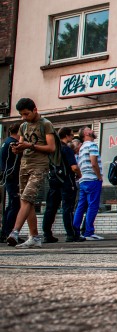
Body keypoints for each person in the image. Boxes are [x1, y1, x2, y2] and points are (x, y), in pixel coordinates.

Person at [6, 98, 57, 248]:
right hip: (25, 165)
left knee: (27, 198)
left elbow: (51, 148)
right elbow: (23, 145)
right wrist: (17, 148)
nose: (24, 117)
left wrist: (31, 145)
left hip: (40, 165)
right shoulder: (23, 126)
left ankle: (15, 231)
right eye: (22, 115)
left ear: (35, 110)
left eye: (26, 114)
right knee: (26, 201)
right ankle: (34, 236)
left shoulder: (46, 124)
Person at [42, 127, 81, 243]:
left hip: (54, 180)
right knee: (67, 208)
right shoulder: (66, 149)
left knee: (51, 208)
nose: (72, 137)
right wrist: (79, 174)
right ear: (67, 136)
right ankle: (71, 234)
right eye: (71, 135)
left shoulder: (53, 150)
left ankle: (47, 234)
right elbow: (73, 167)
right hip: (66, 180)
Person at [72, 126, 104, 241]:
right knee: (93, 206)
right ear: (86, 133)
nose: (92, 130)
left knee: (81, 206)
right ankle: (89, 232)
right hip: (92, 179)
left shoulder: (81, 148)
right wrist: (99, 177)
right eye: (89, 129)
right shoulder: (92, 145)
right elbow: (94, 162)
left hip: (83, 179)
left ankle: (75, 231)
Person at [0, 122, 21, 244]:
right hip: (12, 176)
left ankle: (5, 232)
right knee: (15, 205)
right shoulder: (12, 144)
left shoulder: (5, 142)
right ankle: (8, 232)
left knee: (11, 205)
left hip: (8, 176)